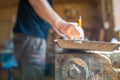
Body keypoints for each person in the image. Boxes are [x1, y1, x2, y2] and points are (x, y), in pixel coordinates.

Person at [13, 0, 81, 80]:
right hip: (32, 37)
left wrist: (61, 31)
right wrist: (60, 24)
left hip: (31, 36)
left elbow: (43, 15)